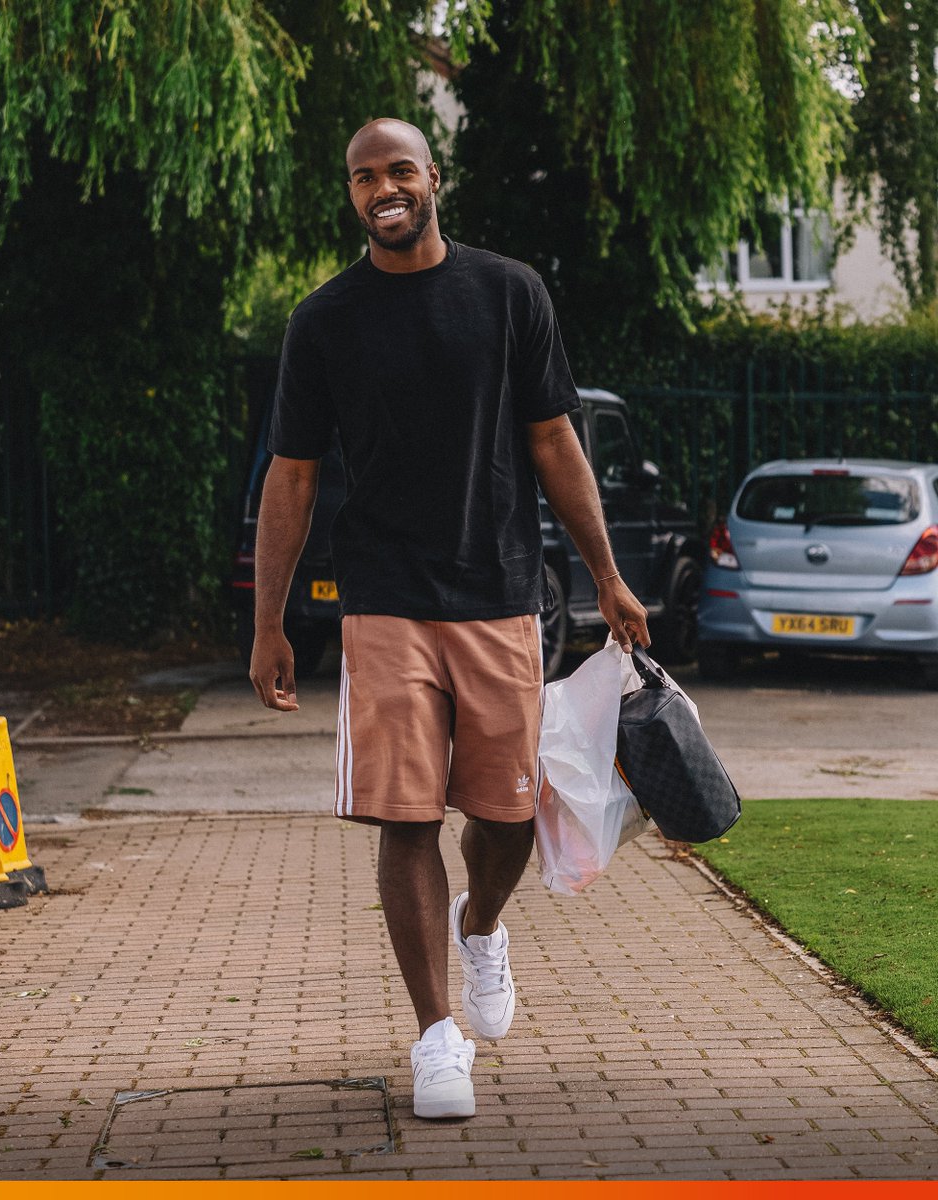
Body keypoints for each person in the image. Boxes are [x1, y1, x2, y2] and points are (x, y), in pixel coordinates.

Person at [250, 117, 650, 1121]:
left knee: (510, 814)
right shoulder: (324, 321)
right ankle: (437, 1038)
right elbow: (291, 480)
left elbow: (555, 440)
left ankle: (482, 926)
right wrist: (269, 622)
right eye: (361, 176)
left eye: (398, 170)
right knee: (405, 815)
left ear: (435, 178)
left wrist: (606, 573)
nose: (381, 188)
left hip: (499, 595)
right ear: (349, 193)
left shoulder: (508, 292)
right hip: (382, 600)